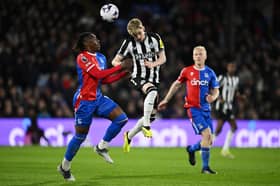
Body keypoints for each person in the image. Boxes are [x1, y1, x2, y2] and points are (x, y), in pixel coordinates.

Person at [57, 32, 131, 181]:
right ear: (86, 43)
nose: (98, 41)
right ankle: (64, 167)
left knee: (121, 119)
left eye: (97, 38)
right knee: (80, 136)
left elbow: (104, 80)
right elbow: (97, 74)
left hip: (98, 97)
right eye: (94, 39)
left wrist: (122, 75)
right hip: (84, 100)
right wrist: (121, 66)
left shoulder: (102, 57)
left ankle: (101, 146)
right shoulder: (82, 57)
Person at [158, 46, 219, 174]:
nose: (198, 56)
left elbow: (216, 90)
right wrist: (166, 100)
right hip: (193, 109)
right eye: (196, 54)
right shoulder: (187, 71)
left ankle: (191, 149)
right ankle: (205, 168)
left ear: (205, 56)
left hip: (206, 110)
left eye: (200, 54)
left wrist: (213, 97)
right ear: (193, 56)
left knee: (209, 140)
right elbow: (176, 85)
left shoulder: (210, 73)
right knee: (207, 136)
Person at [112, 18, 166, 152]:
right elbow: (115, 61)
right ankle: (146, 126)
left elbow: (163, 58)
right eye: (135, 36)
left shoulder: (155, 38)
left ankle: (129, 136)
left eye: (139, 33)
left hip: (154, 78)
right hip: (137, 76)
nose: (138, 37)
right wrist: (125, 67)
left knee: (152, 115)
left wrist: (152, 64)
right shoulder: (128, 43)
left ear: (143, 27)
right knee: (152, 91)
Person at [213, 61, 243, 158]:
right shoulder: (222, 78)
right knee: (219, 129)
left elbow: (236, 91)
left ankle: (225, 150)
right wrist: (219, 97)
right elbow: (214, 87)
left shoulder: (236, 79)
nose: (232, 69)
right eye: (230, 67)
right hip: (221, 106)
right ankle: (205, 147)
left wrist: (240, 97)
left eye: (233, 67)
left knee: (234, 127)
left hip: (229, 106)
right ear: (227, 68)